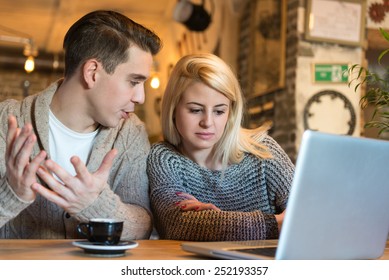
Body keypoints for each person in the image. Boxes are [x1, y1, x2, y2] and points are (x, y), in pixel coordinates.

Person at [0, 10, 162, 240]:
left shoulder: (130, 132)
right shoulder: (5, 121)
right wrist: (11, 195)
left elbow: (144, 228)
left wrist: (95, 205)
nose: (140, 97)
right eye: (134, 81)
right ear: (92, 73)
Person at [147, 53, 294, 241]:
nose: (208, 122)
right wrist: (277, 224)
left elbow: (307, 214)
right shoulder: (163, 158)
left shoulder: (263, 151)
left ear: (230, 112)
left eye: (219, 111)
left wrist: (212, 222)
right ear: (173, 108)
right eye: (195, 110)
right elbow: (177, 224)